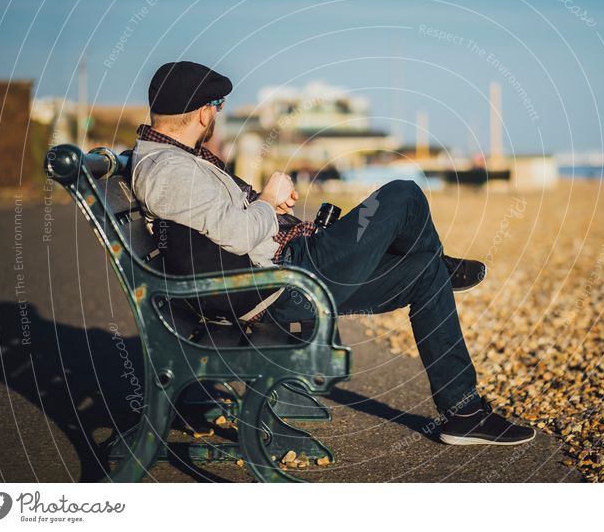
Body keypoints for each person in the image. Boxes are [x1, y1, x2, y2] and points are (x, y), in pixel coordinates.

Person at [131, 60, 536, 446]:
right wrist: (267, 202)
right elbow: (237, 236)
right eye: (217, 107)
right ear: (204, 113)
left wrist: (264, 207)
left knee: (424, 272)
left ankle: (463, 413)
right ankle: (444, 268)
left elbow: (223, 228)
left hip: (286, 269)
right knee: (401, 195)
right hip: (284, 283)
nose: (216, 116)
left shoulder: (172, 162)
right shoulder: (169, 170)